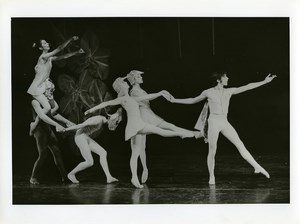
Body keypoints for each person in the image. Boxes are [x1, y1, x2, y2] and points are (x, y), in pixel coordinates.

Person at [85, 77, 201, 188]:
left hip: (140, 125)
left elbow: (149, 96)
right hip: (134, 127)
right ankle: (134, 177)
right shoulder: (122, 99)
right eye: (124, 82)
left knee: (150, 140)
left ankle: (185, 134)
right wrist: (91, 109)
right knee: (145, 145)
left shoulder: (132, 98)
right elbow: (106, 104)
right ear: (120, 87)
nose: (126, 83)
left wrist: (160, 93)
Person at [168, 72, 276, 185]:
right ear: (219, 80)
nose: (228, 78)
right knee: (212, 150)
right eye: (225, 77)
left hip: (224, 122)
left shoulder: (229, 91)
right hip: (213, 122)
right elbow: (192, 100)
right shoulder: (208, 92)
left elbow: (247, 87)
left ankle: (257, 167)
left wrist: (265, 81)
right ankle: (211, 176)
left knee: (240, 144)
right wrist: (174, 100)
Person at [126, 70, 203, 184]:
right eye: (138, 76)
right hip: (141, 118)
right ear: (134, 80)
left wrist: (160, 93)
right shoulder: (133, 92)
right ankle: (141, 172)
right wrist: (160, 93)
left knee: (167, 128)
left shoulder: (138, 89)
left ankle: (192, 134)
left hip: (148, 115)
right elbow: (148, 97)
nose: (141, 77)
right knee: (139, 149)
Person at [28, 36, 84, 134]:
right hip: (36, 88)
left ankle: (36, 123)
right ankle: (55, 125)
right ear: (41, 48)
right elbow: (59, 49)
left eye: (46, 42)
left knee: (55, 108)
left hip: (44, 86)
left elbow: (63, 56)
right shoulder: (43, 57)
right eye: (44, 43)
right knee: (48, 108)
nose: (47, 44)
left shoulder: (49, 58)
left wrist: (76, 53)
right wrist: (70, 39)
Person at [62, 109, 123, 184]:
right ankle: (71, 174)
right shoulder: (98, 120)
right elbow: (81, 125)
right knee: (89, 162)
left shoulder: (102, 120)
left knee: (103, 153)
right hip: (80, 137)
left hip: (85, 137)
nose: (115, 125)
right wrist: (65, 129)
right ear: (110, 118)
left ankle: (109, 177)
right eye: (116, 122)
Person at [30, 88, 76, 184]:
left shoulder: (48, 100)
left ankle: (65, 177)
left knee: (57, 151)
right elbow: (43, 117)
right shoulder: (35, 101)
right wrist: (57, 125)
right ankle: (33, 177)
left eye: (52, 90)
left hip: (46, 128)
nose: (51, 91)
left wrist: (68, 122)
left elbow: (54, 114)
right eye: (49, 89)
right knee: (43, 154)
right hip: (39, 130)